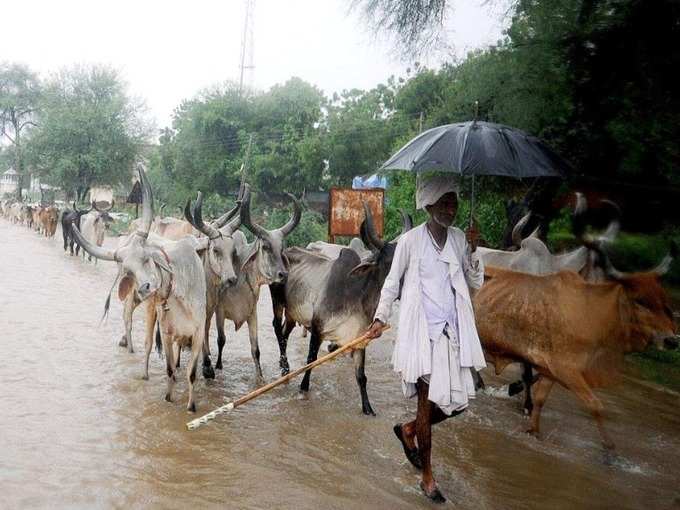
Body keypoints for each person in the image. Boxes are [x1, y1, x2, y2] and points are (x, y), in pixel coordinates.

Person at [365, 173, 486, 504]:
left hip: (452, 332)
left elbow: (474, 282)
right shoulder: (410, 241)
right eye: (445, 202)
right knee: (425, 401)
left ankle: (409, 429)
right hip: (422, 334)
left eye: (454, 202)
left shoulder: (460, 239)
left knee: (458, 401)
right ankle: (428, 477)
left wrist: (474, 251)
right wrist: (379, 318)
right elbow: (392, 282)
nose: (451, 208)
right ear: (429, 204)